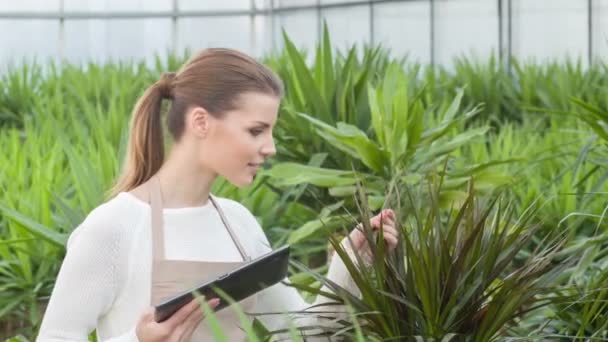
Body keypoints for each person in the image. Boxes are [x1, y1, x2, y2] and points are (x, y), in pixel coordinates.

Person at [37, 48, 399, 342]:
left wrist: (351, 262)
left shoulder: (237, 222)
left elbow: (302, 332)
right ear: (200, 122)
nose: (270, 147)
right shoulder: (114, 228)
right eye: (256, 130)